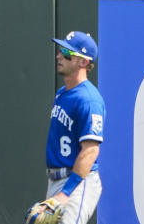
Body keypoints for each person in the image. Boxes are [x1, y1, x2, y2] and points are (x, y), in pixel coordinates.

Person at [31, 31, 104, 224]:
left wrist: (66, 193)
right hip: (56, 180)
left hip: (78, 182)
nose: (59, 55)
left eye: (66, 51)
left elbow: (90, 151)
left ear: (83, 62)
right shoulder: (63, 92)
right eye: (60, 50)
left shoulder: (89, 100)